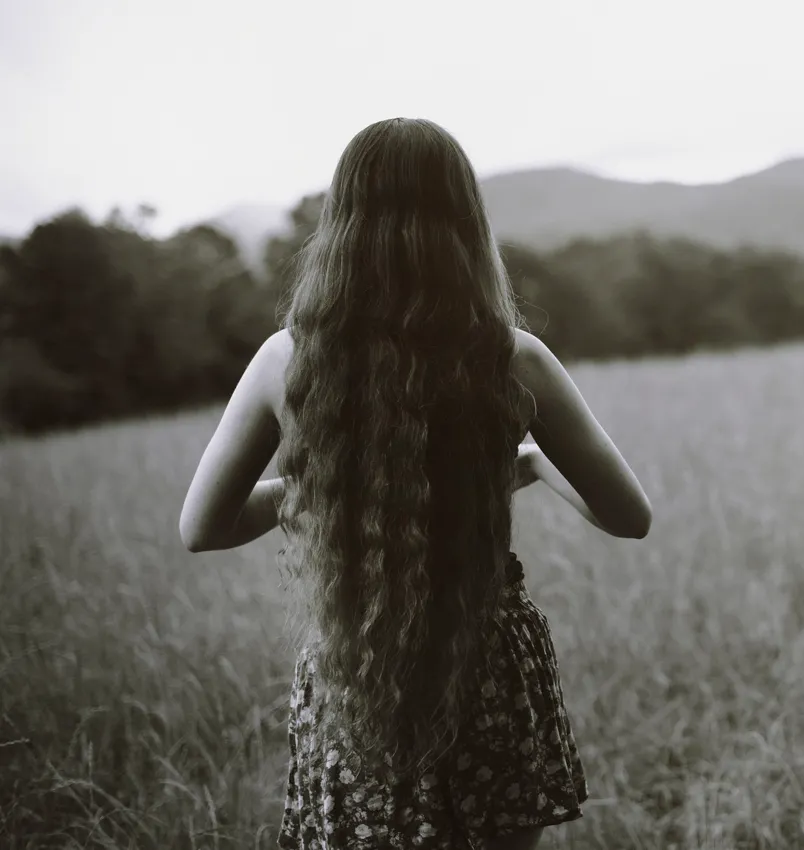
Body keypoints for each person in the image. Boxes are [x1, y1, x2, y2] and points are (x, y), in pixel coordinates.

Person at [178, 117, 653, 850]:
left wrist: (318, 492)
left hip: (351, 669)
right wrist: (525, 462)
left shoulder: (287, 361)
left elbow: (203, 527)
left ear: (342, 224)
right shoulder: (513, 359)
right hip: (486, 665)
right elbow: (628, 516)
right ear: (466, 221)